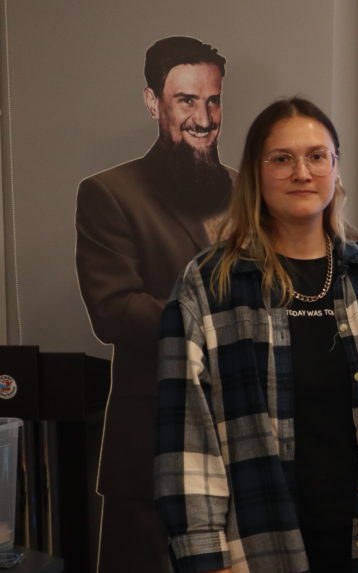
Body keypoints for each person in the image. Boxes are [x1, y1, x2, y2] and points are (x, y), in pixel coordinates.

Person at [154, 97, 358, 573]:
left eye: (317, 157)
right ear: (256, 172)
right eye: (281, 159)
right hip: (258, 548)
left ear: (336, 167)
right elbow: (186, 433)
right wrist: (205, 557)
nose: (302, 173)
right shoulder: (210, 283)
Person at [74, 35, 232, 572]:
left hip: (238, 446)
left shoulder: (249, 193)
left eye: (213, 101)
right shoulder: (109, 193)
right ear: (152, 102)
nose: (203, 118)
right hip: (149, 451)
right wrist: (226, 322)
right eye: (187, 100)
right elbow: (114, 310)